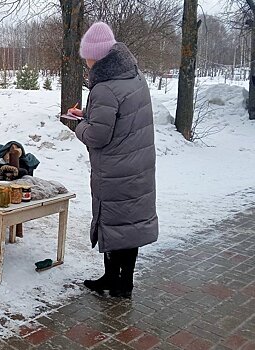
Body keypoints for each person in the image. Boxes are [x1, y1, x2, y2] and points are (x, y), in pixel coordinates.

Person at [68, 22, 159, 298]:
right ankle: (118, 279)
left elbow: (98, 135)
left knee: (115, 223)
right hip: (137, 165)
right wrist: (86, 114)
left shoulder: (104, 87)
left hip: (116, 169)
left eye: (87, 56)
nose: (86, 62)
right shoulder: (133, 76)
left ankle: (119, 285)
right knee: (126, 225)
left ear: (97, 56)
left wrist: (76, 126)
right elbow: (118, 118)